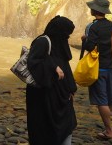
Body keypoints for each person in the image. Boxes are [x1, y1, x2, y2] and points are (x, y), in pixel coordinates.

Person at [26, 15, 77, 145]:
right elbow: (33, 62)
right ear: (59, 32)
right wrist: (53, 67)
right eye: (66, 34)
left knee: (66, 125)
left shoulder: (61, 43)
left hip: (62, 96)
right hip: (44, 98)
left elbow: (66, 66)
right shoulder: (42, 41)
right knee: (44, 129)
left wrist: (71, 88)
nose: (67, 37)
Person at [81, 0, 112, 141]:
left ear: (94, 10)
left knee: (102, 101)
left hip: (98, 68)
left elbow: (90, 46)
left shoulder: (92, 27)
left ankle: (109, 131)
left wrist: (84, 41)